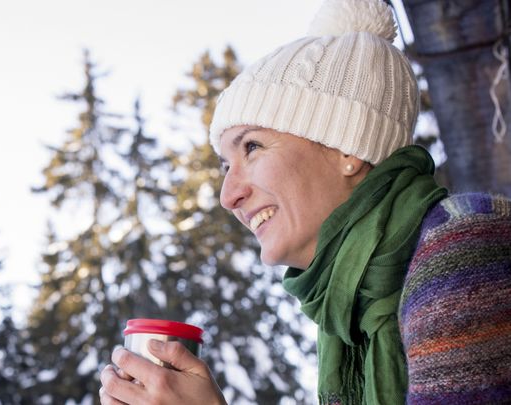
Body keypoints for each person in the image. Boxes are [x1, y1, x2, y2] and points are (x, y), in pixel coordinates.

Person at [99, 0, 511, 403]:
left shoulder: (464, 251)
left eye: (253, 147)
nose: (229, 195)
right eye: (226, 164)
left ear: (347, 148)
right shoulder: (347, 315)